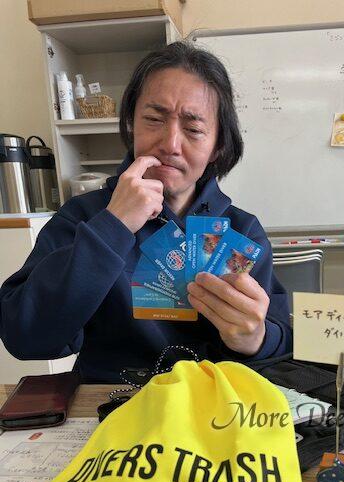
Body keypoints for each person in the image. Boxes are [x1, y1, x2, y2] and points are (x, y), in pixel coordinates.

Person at [0, 42, 292, 383]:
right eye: (154, 119)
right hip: (110, 401)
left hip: (210, 401)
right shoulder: (84, 217)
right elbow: (25, 337)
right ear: (131, 125)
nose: (170, 144)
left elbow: (281, 343)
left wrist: (256, 339)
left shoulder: (241, 231)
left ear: (218, 147)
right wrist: (114, 226)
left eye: (194, 130)